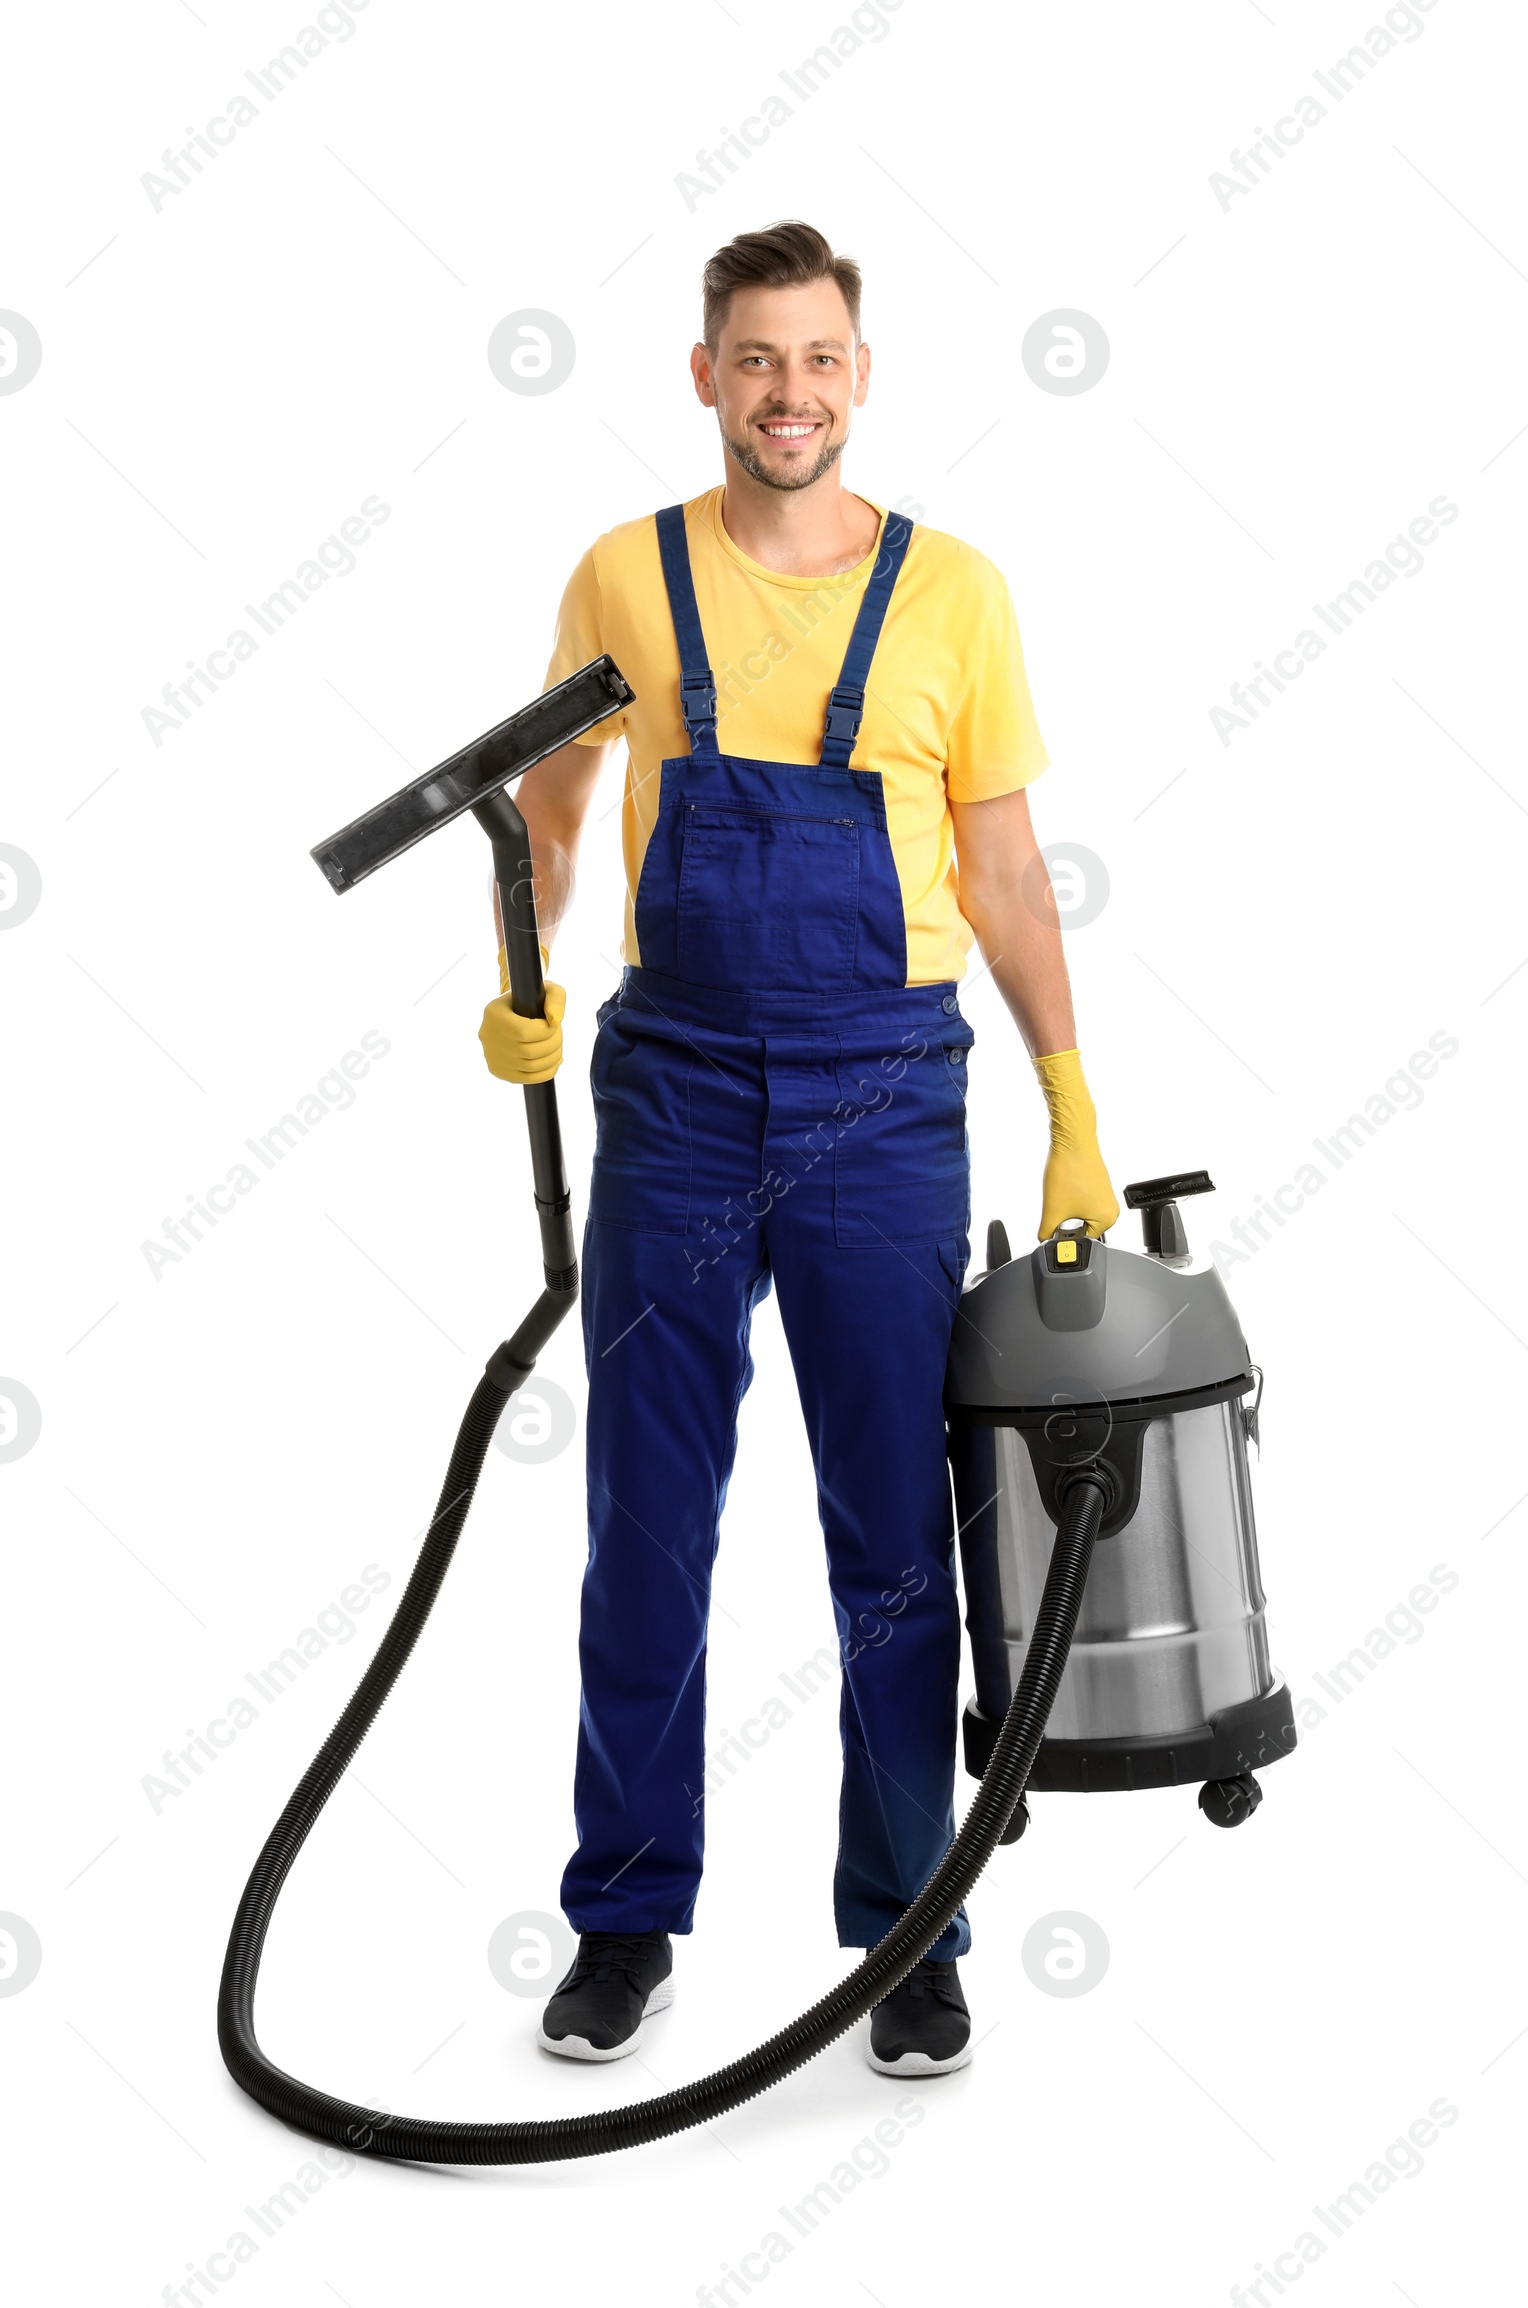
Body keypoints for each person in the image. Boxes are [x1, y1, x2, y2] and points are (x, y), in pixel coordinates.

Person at [478, 221, 1118, 2075]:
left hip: (882, 1093)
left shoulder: (957, 596)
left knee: (895, 1540)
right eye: (756, 359)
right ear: (705, 375)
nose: (790, 394)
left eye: (820, 360)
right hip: (673, 1085)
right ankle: (624, 1916)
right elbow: (552, 800)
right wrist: (517, 976)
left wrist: (1074, 1098)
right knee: (645, 1523)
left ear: (863, 376)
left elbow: (999, 863)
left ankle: (908, 1928)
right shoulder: (624, 572)